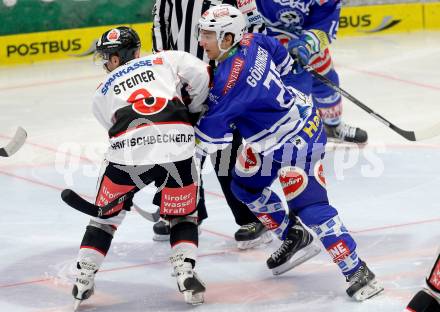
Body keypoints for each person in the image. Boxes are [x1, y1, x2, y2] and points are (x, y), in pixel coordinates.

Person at [196, 4, 383, 299]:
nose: (201, 42)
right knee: (244, 186)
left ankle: (358, 270)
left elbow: (208, 140)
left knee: (310, 206)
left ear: (227, 38)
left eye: (207, 35)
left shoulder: (228, 84)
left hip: (298, 138)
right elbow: (281, 58)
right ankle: (294, 236)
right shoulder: (251, 40)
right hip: (277, 132)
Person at [71, 26, 210, 309]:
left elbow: (112, 126)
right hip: (177, 142)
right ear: (136, 51)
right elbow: (202, 76)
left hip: (128, 150)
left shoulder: (102, 89)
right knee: (183, 216)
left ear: (115, 59)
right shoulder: (165, 58)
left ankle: (84, 278)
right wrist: (192, 112)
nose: (105, 63)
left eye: (107, 57)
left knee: (104, 219)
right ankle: (185, 273)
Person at [151, 0, 272, 249]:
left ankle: (251, 217)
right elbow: (160, 25)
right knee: (181, 150)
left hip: (225, 79)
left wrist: (242, 70)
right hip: (183, 81)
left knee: (226, 153)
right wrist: (163, 71)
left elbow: (255, 27)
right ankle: (187, 211)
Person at [254, 0, 368, 144]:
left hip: (307, 42)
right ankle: (283, 136)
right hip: (268, 39)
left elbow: (325, 22)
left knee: (326, 82)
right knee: (288, 90)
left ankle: (332, 126)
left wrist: (306, 45)